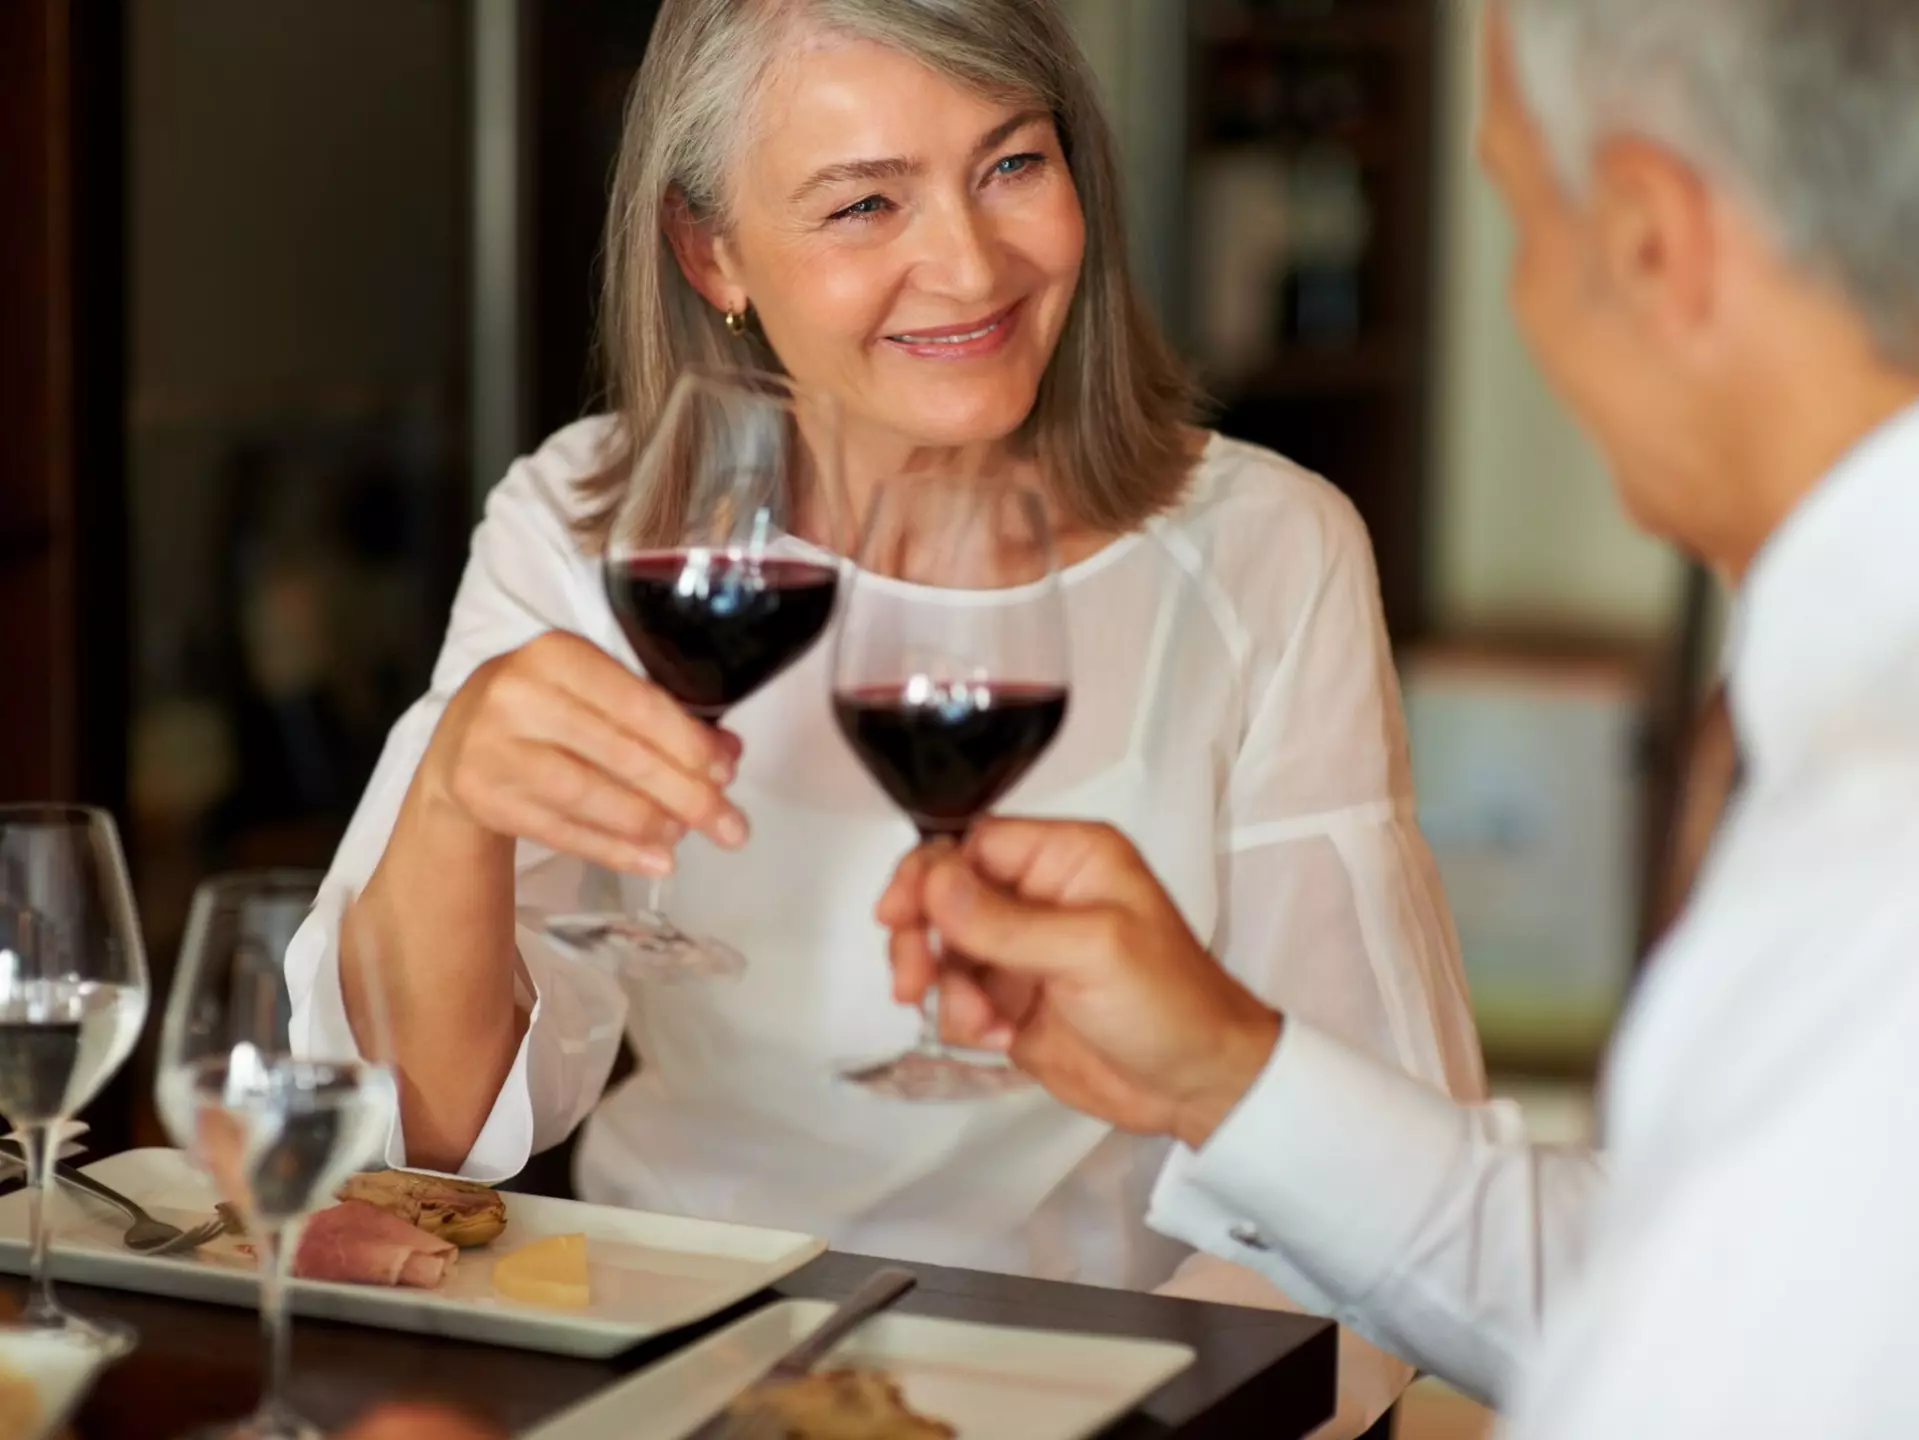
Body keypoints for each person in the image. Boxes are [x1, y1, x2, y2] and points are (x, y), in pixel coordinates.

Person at [285, 1, 1481, 1433]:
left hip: (1107, 1383)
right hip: (683, 1368)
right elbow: (409, 1147)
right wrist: (450, 807)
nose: (970, 265)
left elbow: (1365, 1193)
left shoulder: (1264, 550)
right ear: (708, 250)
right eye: (864, 201)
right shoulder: (583, 525)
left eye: (1010, 165)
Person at [879, 0, 1919, 1433]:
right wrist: (1227, 1071)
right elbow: (1667, 1286)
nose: (1517, 297)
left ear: (1645, 241)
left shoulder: (1877, 826)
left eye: (1516, 215)